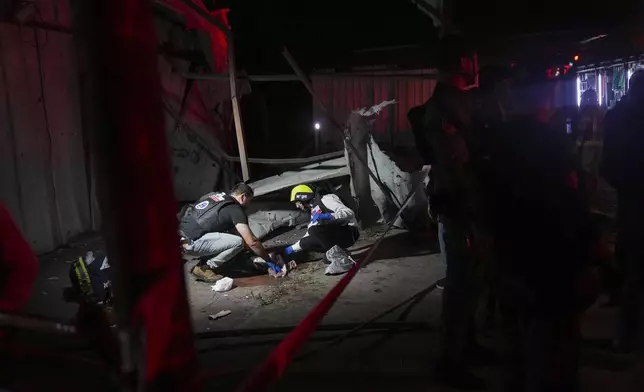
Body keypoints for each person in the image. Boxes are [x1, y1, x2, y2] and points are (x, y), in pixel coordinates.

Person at [487, 71, 598, 392]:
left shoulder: (496, 141)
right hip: (549, 264)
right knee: (553, 353)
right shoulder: (550, 144)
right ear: (544, 99)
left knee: (517, 349)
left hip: (510, 259)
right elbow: (570, 207)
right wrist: (591, 253)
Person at [417, 34, 490, 389]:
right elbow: (455, 163)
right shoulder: (445, 106)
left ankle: (467, 345)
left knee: (471, 281)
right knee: (460, 284)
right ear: (463, 62)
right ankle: (449, 361)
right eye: (473, 57)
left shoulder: (458, 102)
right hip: (458, 204)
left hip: (466, 202)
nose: (477, 63)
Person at [602, 69, 644, 353]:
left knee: (634, 267)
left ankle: (628, 334)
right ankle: (629, 334)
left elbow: (608, 165)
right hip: (633, 198)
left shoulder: (617, 117)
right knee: (635, 269)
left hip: (631, 197)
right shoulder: (622, 118)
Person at [179, 183, 275, 282]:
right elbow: (252, 242)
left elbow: (238, 233)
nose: (249, 205)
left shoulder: (216, 197)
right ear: (243, 197)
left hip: (180, 235)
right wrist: (269, 261)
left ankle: (208, 259)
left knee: (234, 239)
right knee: (237, 242)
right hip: (189, 243)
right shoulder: (235, 209)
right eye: (249, 201)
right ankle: (204, 268)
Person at [283, 184, 359, 274]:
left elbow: (349, 213)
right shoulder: (314, 209)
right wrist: (290, 249)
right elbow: (310, 233)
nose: (297, 206)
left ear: (303, 197)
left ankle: (343, 262)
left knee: (314, 230)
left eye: (297, 202)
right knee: (308, 242)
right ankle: (341, 253)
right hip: (337, 233)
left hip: (350, 232)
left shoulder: (326, 199)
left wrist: (329, 216)